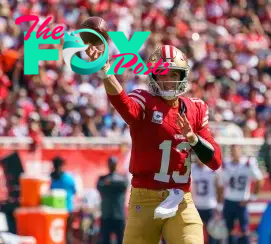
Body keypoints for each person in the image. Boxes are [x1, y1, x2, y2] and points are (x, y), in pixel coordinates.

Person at [86, 43, 222, 244]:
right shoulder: (144, 101)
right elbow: (124, 104)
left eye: (174, 75)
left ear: (182, 76)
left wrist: (193, 138)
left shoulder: (196, 108)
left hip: (180, 199)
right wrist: (106, 72)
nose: (168, 81)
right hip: (145, 198)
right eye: (163, 74)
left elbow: (215, 161)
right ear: (154, 76)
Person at [219, 145, 264, 244]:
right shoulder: (226, 164)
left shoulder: (247, 163)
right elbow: (221, 184)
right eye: (233, 151)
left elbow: (260, 180)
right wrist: (220, 202)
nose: (235, 154)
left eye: (236, 151)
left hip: (241, 201)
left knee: (244, 229)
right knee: (229, 230)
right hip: (229, 200)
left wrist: (252, 197)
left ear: (240, 152)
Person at [97, 156, 129, 244]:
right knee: (105, 240)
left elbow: (123, 185)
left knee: (121, 240)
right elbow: (100, 186)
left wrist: (109, 183)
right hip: (106, 214)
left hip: (119, 215)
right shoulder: (102, 178)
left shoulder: (122, 178)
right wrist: (112, 184)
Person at [191, 157, 222, 244]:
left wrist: (219, 206)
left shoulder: (212, 170)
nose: (199, 159)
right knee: (194, 233)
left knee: (212, 234)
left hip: (210, 206)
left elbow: (219, 188)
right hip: (195, 206)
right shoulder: (192, 168)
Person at [50, 156, 77, 244]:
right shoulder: (69, 178)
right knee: (67, 234)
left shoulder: (50, 179)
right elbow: (74, 191)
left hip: (54, 212)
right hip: (67, 210)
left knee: (54, 236)